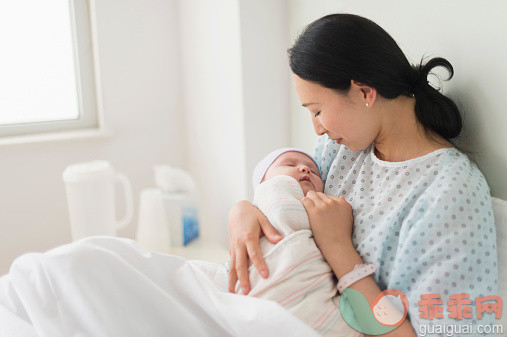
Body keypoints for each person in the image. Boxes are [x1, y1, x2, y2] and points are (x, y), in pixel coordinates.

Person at [227, 13, 498, 336]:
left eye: (317, 110)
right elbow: (289, 212)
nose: (318, 128)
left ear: (364, 92)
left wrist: (339, 248)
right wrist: (243, 211)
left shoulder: (451, 194)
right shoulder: (341, 150)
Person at [234, 148, 359, 336]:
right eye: (289, 164)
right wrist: (241, 207)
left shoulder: (328, 212)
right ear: (261, 182)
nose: (305, 169)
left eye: (314, 172)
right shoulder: (269, 196)